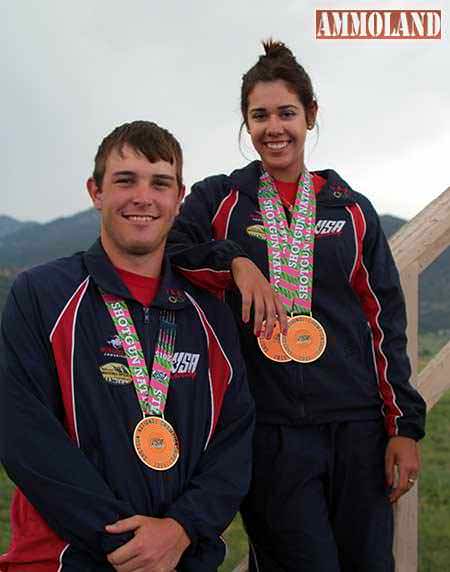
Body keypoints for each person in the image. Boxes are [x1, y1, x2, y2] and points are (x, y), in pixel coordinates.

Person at [167, 41, 426, 571]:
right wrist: (235, 262)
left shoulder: (350, 209)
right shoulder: (221, 200)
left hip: (357, 428)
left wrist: (402, 428)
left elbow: (384, 322)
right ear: (245, 123)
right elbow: (175, 251)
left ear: (310, 114)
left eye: (286, 112)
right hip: (271, 430)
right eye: (259, 116)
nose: (274, 128)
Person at [0, 121, 254, 572]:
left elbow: (234, 441)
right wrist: (131, 544)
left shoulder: (210, 315)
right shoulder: (42, 294)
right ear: (95, 192)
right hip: (68, 560)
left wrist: (179, 529)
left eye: (160, 183)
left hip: (183, 556)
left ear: (179, 199)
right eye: (125, 180)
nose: (144, 197)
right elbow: (24, 435)